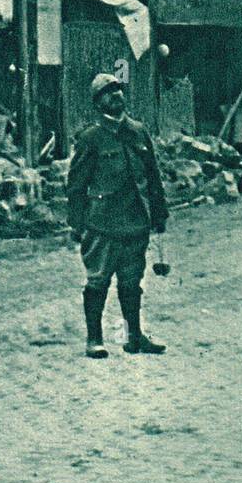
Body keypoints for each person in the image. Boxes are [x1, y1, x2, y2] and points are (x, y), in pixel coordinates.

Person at [66, 73, 169, 359]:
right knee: (97, 282)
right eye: (108, 93)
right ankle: (94, 339)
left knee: (131, 282)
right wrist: (77, 224)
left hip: (136, 222)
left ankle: (134, 337)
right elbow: (76, 185)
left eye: (118, 90)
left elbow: (152, 176)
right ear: (98, 103)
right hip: (102, 225)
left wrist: (159, 214)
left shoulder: (138, 131)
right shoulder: (90, 138)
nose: (116, 95)